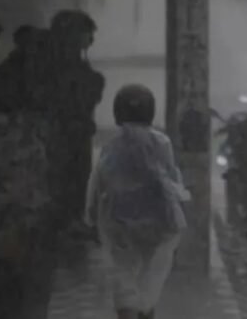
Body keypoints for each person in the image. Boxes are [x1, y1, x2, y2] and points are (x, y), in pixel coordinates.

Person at [85, 84, 190, 319]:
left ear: (117, 112)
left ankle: (129, 311)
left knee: (123, 278)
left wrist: (90, 216)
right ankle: (145, 310)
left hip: (119, 223)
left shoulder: (111, 145)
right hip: (159, 224)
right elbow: (173, 180)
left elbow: (98, 181)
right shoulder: (162, 143)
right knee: (151, 278)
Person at [47, 10, 106, 230]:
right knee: (68, 178)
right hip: (64, 133)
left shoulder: (73, 62)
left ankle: (71, 219)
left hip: (75, 132)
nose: (90, 40)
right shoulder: (60, 64)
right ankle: (67, 221)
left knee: (77, 178)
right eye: (87, 34)